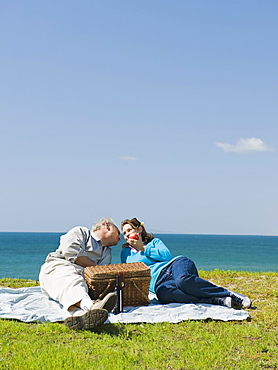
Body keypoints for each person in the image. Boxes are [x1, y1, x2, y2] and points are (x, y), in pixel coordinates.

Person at [121, 218, 252, 309]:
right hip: (159, 282)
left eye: (129, 230)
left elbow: (166, 256)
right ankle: (215, 300)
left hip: (174, 266)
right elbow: (131, 271)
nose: (127, 235)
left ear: (139, 230)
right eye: (124, 233)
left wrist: (142, 248)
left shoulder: (154, 242)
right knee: (164, 295)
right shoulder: (126, 253)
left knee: (182, 281)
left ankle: (229, 294)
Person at [39, 217, 121, 330]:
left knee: (79, 286)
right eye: (118, 232)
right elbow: (71, 252)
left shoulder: (107, 253)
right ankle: (92, 307)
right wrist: (96, 268)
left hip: (84, 279)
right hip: (59, 267)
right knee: (71, 280)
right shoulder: (81, 232)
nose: (120, 238)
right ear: (107, 226)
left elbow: (100, 276)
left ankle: (79, 316)